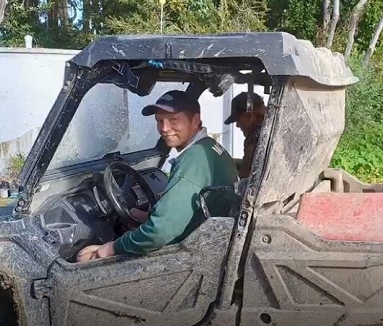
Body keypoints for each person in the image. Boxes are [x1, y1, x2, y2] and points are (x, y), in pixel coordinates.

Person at [76, 89, 239, 262]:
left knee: (86, 262)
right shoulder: (209, 148)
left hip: (197, 255)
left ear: (195, 120)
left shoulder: (194, 159)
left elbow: (159, 232)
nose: (164, 128)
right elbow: (181, 211)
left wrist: (110, 248)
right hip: (211, 241)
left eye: (173, 119)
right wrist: (148, 215)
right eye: (159, 121)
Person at [224, 92, 266, 178]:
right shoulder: (268, 132)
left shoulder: (256, 140)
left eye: (238, 120)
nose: (237, 125)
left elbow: (245, 177)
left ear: (250, 116)